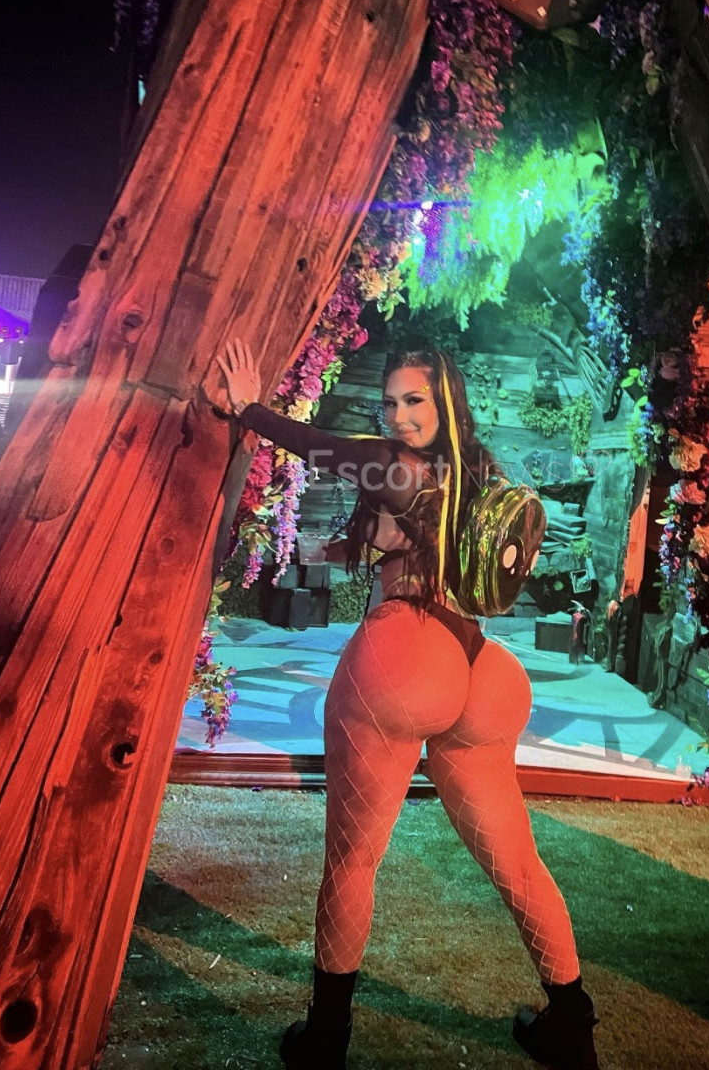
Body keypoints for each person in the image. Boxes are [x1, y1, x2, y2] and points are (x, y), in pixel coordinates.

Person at [216, 339, 601, 1070]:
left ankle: (325, 1038)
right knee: (518, 864)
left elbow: (319, 446)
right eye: (389, 402)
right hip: (483, 669)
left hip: (407, 654)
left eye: (413, 399)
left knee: (352, 863)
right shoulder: (479, 471)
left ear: (445, 399)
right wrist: (347, 546)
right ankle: (571, 1028)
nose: (398, 415)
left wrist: (248, 409)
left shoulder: (393, 465)